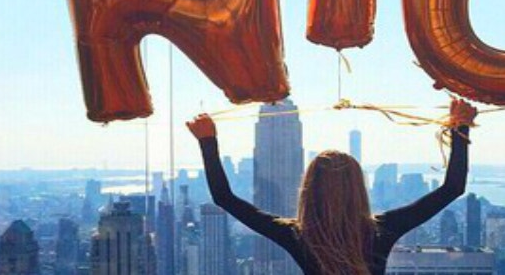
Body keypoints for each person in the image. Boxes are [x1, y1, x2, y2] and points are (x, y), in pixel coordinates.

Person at [186, 98, 477, 275]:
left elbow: (224, 198)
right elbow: (452, 188)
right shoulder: (379, 230)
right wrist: (460, 127)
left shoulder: (298, 235)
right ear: (357, 189)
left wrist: (207, 140)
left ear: (309, 190)